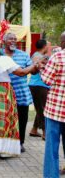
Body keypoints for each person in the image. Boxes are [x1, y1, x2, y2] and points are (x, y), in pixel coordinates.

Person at [0, 33, 37, 157]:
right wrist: (34, 65)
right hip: (3, 92)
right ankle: (3, 150)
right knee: (4, 119)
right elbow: (21, 72)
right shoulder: (5, 60)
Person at [0, 32, 36, 152]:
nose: (14, 41)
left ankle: (20, 143)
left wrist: (37, 66)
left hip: (21, 93)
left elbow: (33, 71)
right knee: (5, 120)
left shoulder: (24, 55)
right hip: (4, 94)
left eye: (15, 39)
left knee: (22, 119)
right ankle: (6, 144)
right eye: (11, 39)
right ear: (4, 41)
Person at [41, 31, 65, 178]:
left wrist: (42, 69)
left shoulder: (57, 56)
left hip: (55, 111)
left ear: (63, 42)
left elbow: (47, 80)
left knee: (52, 149)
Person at [28, 39, 49, 140]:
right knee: (42, 109)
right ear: (44, 46)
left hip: (40, 85)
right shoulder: (37, 56)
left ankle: (34, 129)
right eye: (48, 46)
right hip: (38, 86)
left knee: (40, 108)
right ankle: (45, 132)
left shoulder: (38, 55)